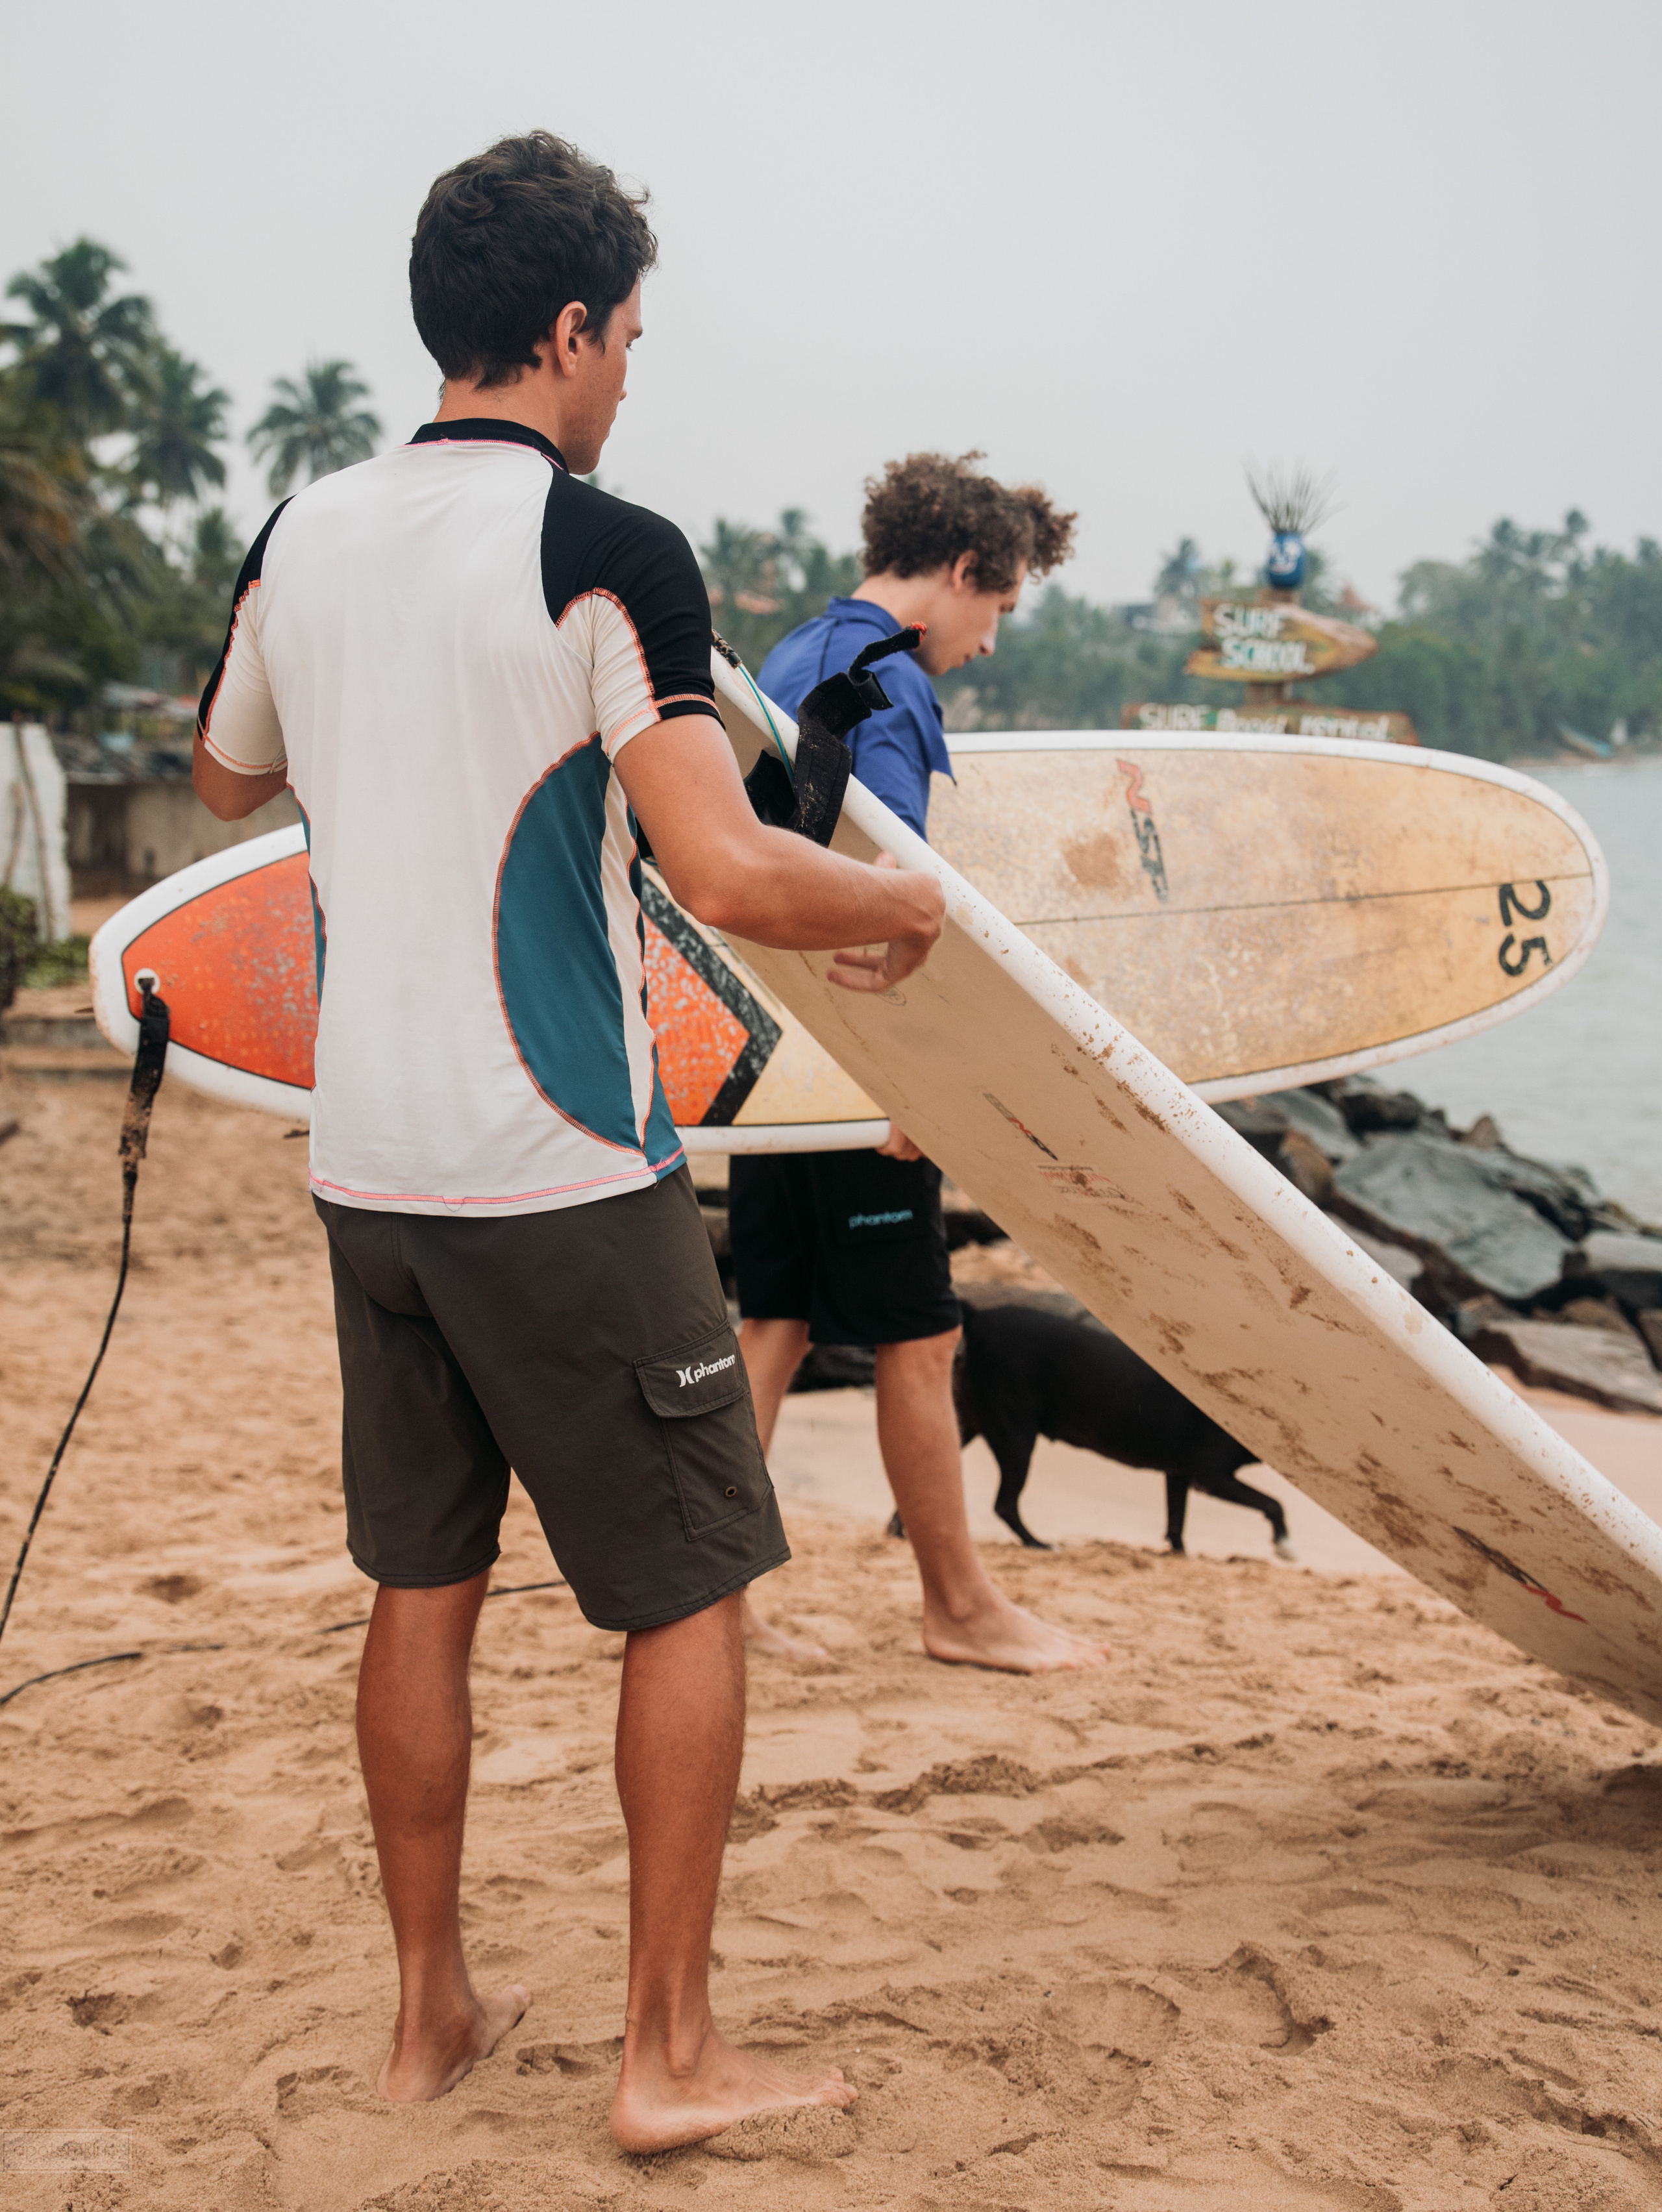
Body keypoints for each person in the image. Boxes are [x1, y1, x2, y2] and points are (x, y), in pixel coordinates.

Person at [191, 131, 943, 2151]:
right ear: (565, 329)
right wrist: (911, 908)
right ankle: (667, 2055)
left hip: (371, 1171)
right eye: (629, 331)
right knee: (689, 1586)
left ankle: (430, 2014)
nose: (633, 368)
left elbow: (217, 775)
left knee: (420, 1586)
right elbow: (731, 870)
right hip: (561, 1175)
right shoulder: (606, 547)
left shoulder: (302, 530)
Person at [731, 453, 1106, 1674]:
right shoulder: (885, 682)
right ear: (959, 573)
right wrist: (914, 1082)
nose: (991, 640)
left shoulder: (795, 655)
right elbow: (886, 883)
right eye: (999, 608)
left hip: (772, 1050)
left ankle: (717, 1599)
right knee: (921, 1331)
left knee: (776, 1320)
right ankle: (958, 1606)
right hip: (853, 1057)